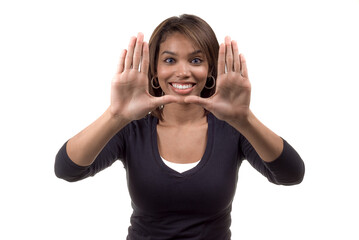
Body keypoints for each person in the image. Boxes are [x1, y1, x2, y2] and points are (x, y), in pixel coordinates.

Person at [55, 14, 305, 240]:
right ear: (155, 69)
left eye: (196, 60)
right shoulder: (133, 128)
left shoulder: (232, 129)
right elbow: (67, 169)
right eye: (170, 60)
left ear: (210, 71)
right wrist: (116, 115)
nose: (183, 71)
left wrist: (244, 119)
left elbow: (291, 174)